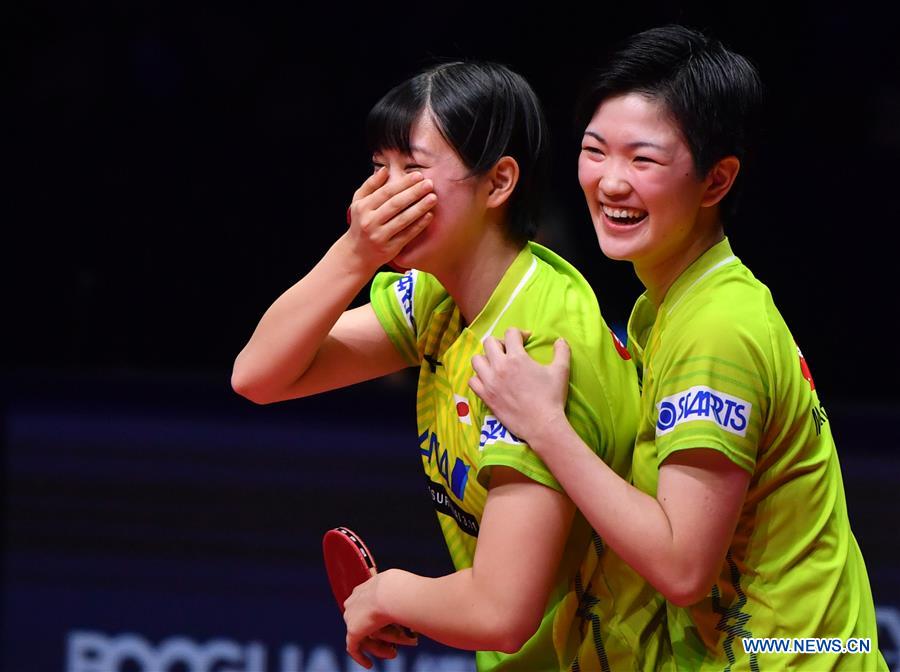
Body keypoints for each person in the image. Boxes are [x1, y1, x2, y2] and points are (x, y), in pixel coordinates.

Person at [469, 26, 888, 671]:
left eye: (643, 160)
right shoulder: (672, 308)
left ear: (716, 181)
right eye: (595, 151)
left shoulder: (716, 329)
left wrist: (544, 425)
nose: (610, 182)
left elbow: (682, 564)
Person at [232, 61, 668, 670]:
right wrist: (355, 252)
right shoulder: (443, 295)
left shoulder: (533, 346)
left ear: (498, 183)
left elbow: (500, 613)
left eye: (412, 168)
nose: (384, 193)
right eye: (378, 167)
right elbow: (260, 375)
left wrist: (385, 594)